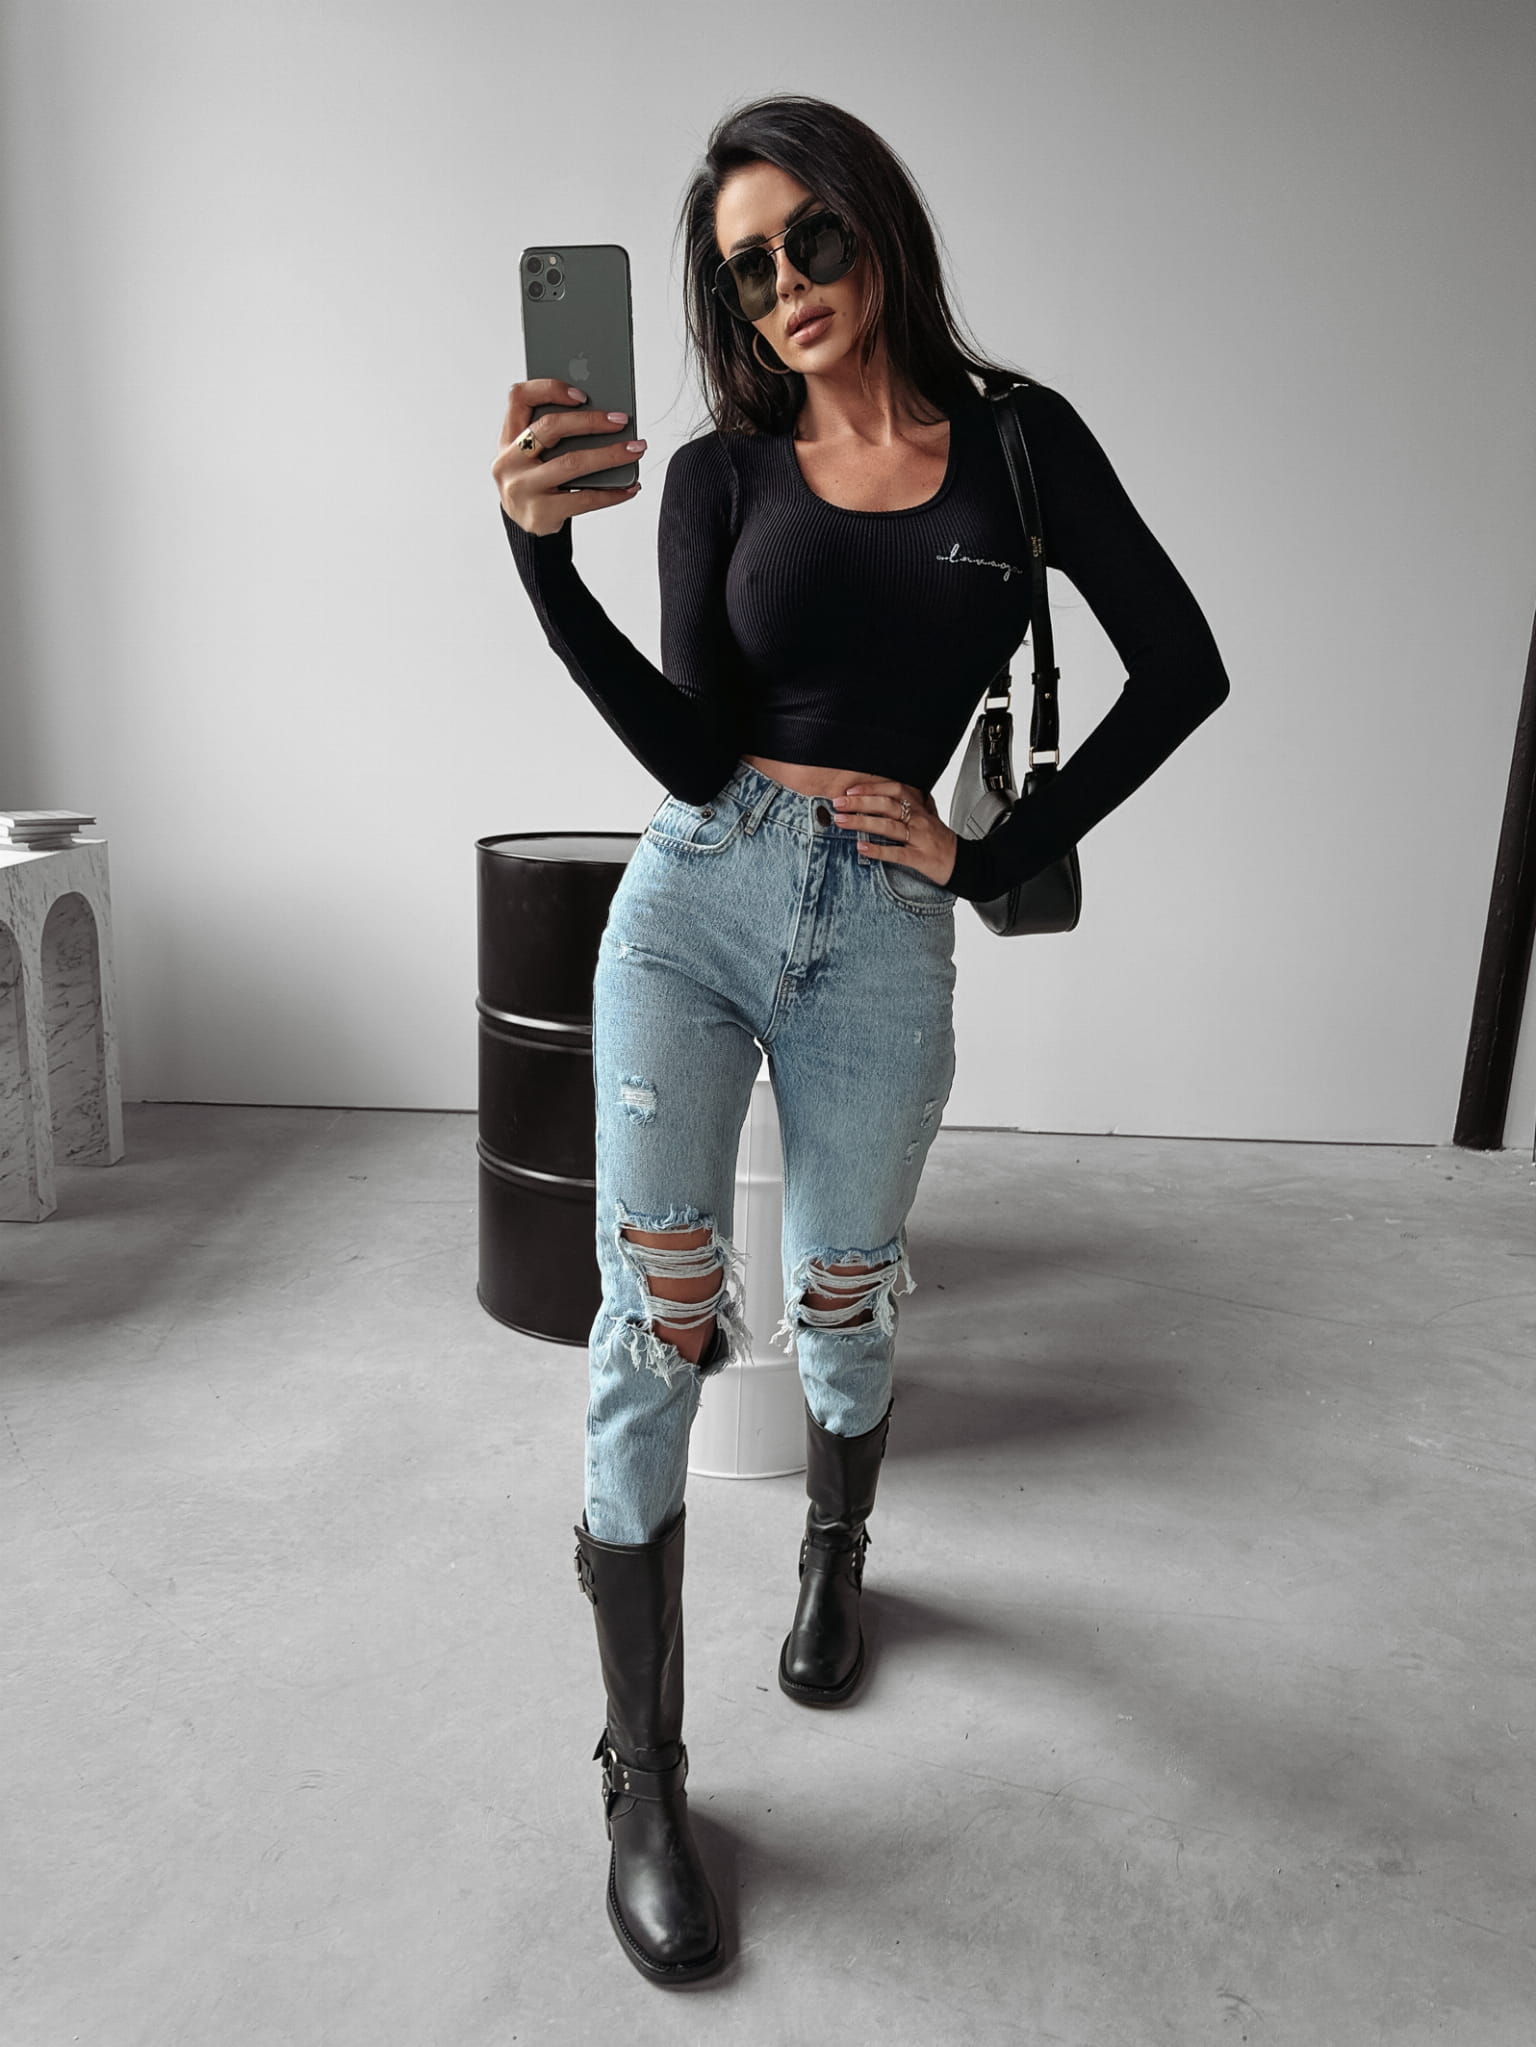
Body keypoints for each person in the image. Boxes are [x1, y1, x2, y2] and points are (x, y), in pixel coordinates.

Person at [491, 93, 1230, 1986]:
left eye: (811, 239)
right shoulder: (722, 473)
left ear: (875, 226)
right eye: (749, 270)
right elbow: (688, 752)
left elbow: (1184, 665)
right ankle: (646, 1777)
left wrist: (992, 856)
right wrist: (543, 569)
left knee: (843, 1296)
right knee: (654, 1321)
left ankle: (835, 1555)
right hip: (696, 906)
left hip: (888, 935)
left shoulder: (1022, 445)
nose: (790, 288)